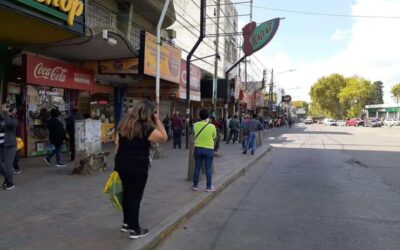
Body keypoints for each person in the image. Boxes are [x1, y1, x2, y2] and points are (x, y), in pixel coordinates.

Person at [114, 99, 167, 239]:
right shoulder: (145, 128)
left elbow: (117, 144)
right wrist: (157, 120)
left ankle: (126, 223)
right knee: (135, 197)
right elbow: (164, 137)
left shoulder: (123, 124)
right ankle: (135, 229)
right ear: (147, 113)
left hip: (121, 163)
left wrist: (116, 165)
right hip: (137, 166)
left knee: (126, 194)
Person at [192, 109, 217, 192]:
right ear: (208, 117)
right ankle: (208, 187)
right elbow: (214, 136)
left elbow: (194, 134)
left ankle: (195, 186)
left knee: (197, 167)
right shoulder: (212, 126)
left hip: (198, 148)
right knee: (208, 169)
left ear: (199, 116)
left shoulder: (195, 125)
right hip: (209, 149)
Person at [1, 104, 18, 190]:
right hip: (1, 146)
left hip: (10, 145)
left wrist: (5, 113)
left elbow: (10, 124)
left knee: (7, 165)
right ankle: (7, 179)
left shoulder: (13, 119)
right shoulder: (3, 118)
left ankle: (10, 183)